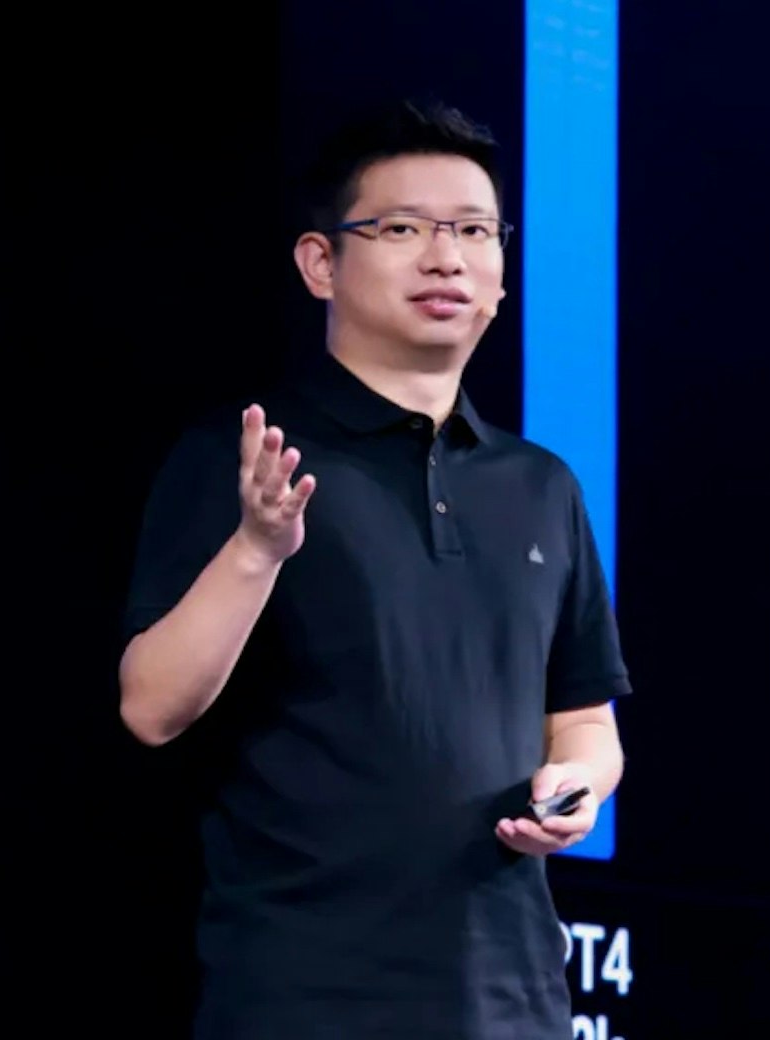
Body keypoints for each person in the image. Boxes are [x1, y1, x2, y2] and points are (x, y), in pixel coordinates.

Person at [117, 99, 630, 1039]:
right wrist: (256, 549)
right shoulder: (249, 456)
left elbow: (587, 722)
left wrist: (578, 788)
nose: (446, 258)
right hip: (306, 1000)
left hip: (514, 1003)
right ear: (321, 262)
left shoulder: (542, 486)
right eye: (402, 229)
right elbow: (151, 706)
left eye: (473, 231)